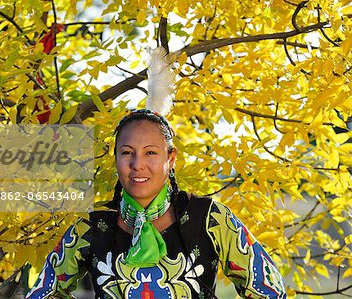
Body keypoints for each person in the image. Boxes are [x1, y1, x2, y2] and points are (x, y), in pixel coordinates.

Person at [26, 108, 287, 299]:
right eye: (127, 152)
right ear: (115, 158)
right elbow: (43, 293)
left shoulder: (209, 219)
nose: (137, 164)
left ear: (171, 158)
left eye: (151, 152)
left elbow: (270, 291)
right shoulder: (93, 226)